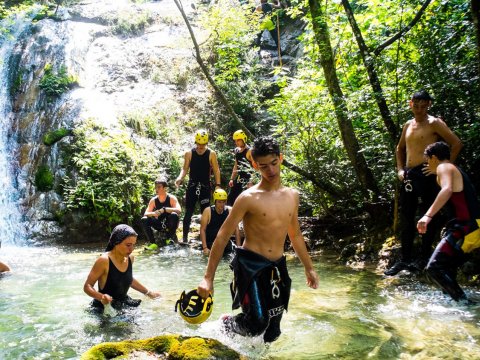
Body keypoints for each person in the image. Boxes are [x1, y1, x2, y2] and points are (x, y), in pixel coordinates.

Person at [197, 136, 319, 343]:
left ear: (280, 158)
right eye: (263, 167)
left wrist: (309, 267)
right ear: (255, 165)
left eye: (273, 163)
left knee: (273, 332)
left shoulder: (292, 196)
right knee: (257, 323)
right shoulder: (247, 198)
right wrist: (208, 277)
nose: (270, 171)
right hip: (250, 266)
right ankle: (226, 323)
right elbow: (223, 235)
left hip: (277, 267)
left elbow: (295, 234)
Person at [385, 90, 463, 276]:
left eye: (423, 105)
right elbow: (399, 148)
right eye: (416, 105)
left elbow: (456, 143)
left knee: (428, 216)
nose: (419, 109)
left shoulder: (434, 123)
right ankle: (404, 259)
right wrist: (400, 169)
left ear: (428, 104)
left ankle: (423, 259)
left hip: (427, 173)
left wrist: (443, 167)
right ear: (410, 104)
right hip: (409, 175)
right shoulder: (408, 125)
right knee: (407, 217)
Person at [417, 142, 480, 302]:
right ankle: (455, 305)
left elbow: (447, 190)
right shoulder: (452, 168)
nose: (426, 163)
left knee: (434, 267)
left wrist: (427, 216)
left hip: (466, 227)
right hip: (472, 226)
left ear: (434, 157)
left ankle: (465, 305)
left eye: (427, 159)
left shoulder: (444, 167)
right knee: (447, 269)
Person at [84, 224, 160, 313]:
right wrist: (101, 297)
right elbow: (87, 286)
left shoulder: (130, 258)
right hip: (103, 307)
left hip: (123, 303)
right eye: (128, 245)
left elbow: (126, 279)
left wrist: (149, 293)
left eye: (133, 245)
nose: (131, 249)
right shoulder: (104, 260)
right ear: (116, 242)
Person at [175, 130, 221, 244]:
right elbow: (185, 168)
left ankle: (207, 238)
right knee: (188, 212)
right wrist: (180, 178)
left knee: (206, 212)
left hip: (205, 187)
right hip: (192, 186)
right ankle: (185, 238)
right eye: (199, 144)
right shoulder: (189, 153)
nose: (201, 146)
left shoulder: (211, 154)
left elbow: (216, 169)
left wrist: (218, 185)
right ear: (196, 142)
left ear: (206, 143)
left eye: (203, 144)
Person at [141, 177, 181, 246]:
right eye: (156, 187)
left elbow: (179, 210)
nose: (156, 189)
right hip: (159, 224)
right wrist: (153, 213)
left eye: (159, 187)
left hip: (170, 224)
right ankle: (152, 243)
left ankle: (169, 238)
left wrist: (165, 209)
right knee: (144, 219)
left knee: (174, 215)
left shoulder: (171, 198)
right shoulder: (153, 200)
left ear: (165, 188)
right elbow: (146, 213)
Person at [200, 188, 241, 257]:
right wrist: (205, 247)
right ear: (215, 201)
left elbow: (236, 228)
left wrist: (239, 247)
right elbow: (202, 229)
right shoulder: (208, 211)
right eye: (219, 202)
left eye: (224, 202)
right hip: (210, 243)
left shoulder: (230, 210)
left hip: (225, 243)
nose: (222, 204)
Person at [227, 130, 254, 206]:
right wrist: (232, 179)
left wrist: (251, 181)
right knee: (231, 198)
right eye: (235, 141)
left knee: (245, 201)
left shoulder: (249, 151)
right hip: (239, 178)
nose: (236, 142)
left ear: (243, 139)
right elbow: (236, 165)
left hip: (248, 179)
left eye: (238, 140)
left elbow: (255, 167)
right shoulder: (237, 151)